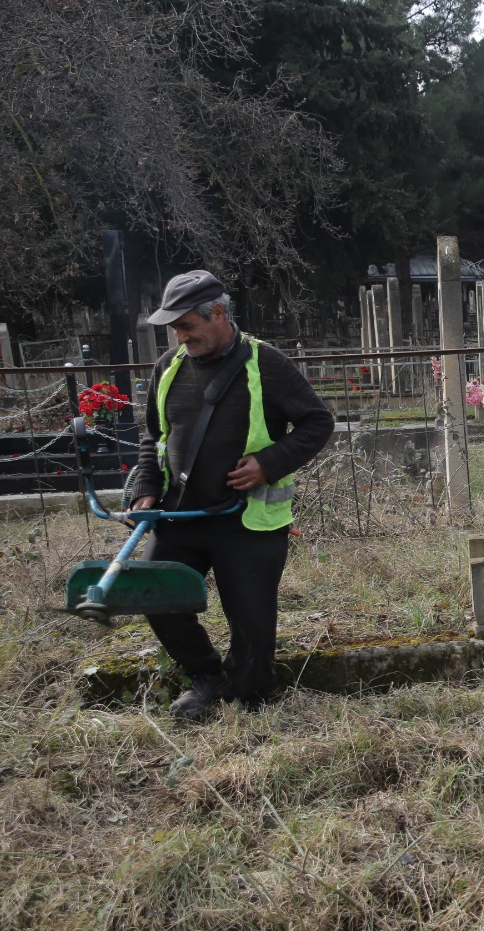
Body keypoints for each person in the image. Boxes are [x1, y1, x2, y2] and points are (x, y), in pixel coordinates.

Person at [130, 270, 335, 721]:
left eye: (187, 326)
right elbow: (153, 435)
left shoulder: (267, 364)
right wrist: (146, 490)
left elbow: (318, 423)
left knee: (251, 621)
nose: (181, 337)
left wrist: (269, 463)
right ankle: (207, 677)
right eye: (176, 329)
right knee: (152, 591)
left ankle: (249, 699)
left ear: (218, 313)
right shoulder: (168, 367)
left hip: (247, 521)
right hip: (181, 515)